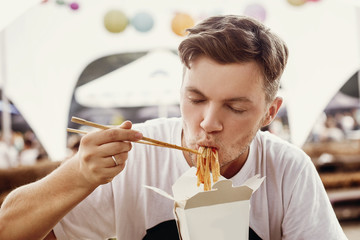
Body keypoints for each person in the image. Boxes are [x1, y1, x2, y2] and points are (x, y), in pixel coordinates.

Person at [0, 15, 347, 240]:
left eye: (235, 107)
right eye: (196, 99)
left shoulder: (286, 169)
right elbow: (9, 229)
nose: (209, 123)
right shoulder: (134, 158)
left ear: (270, 112)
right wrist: (77, 174)